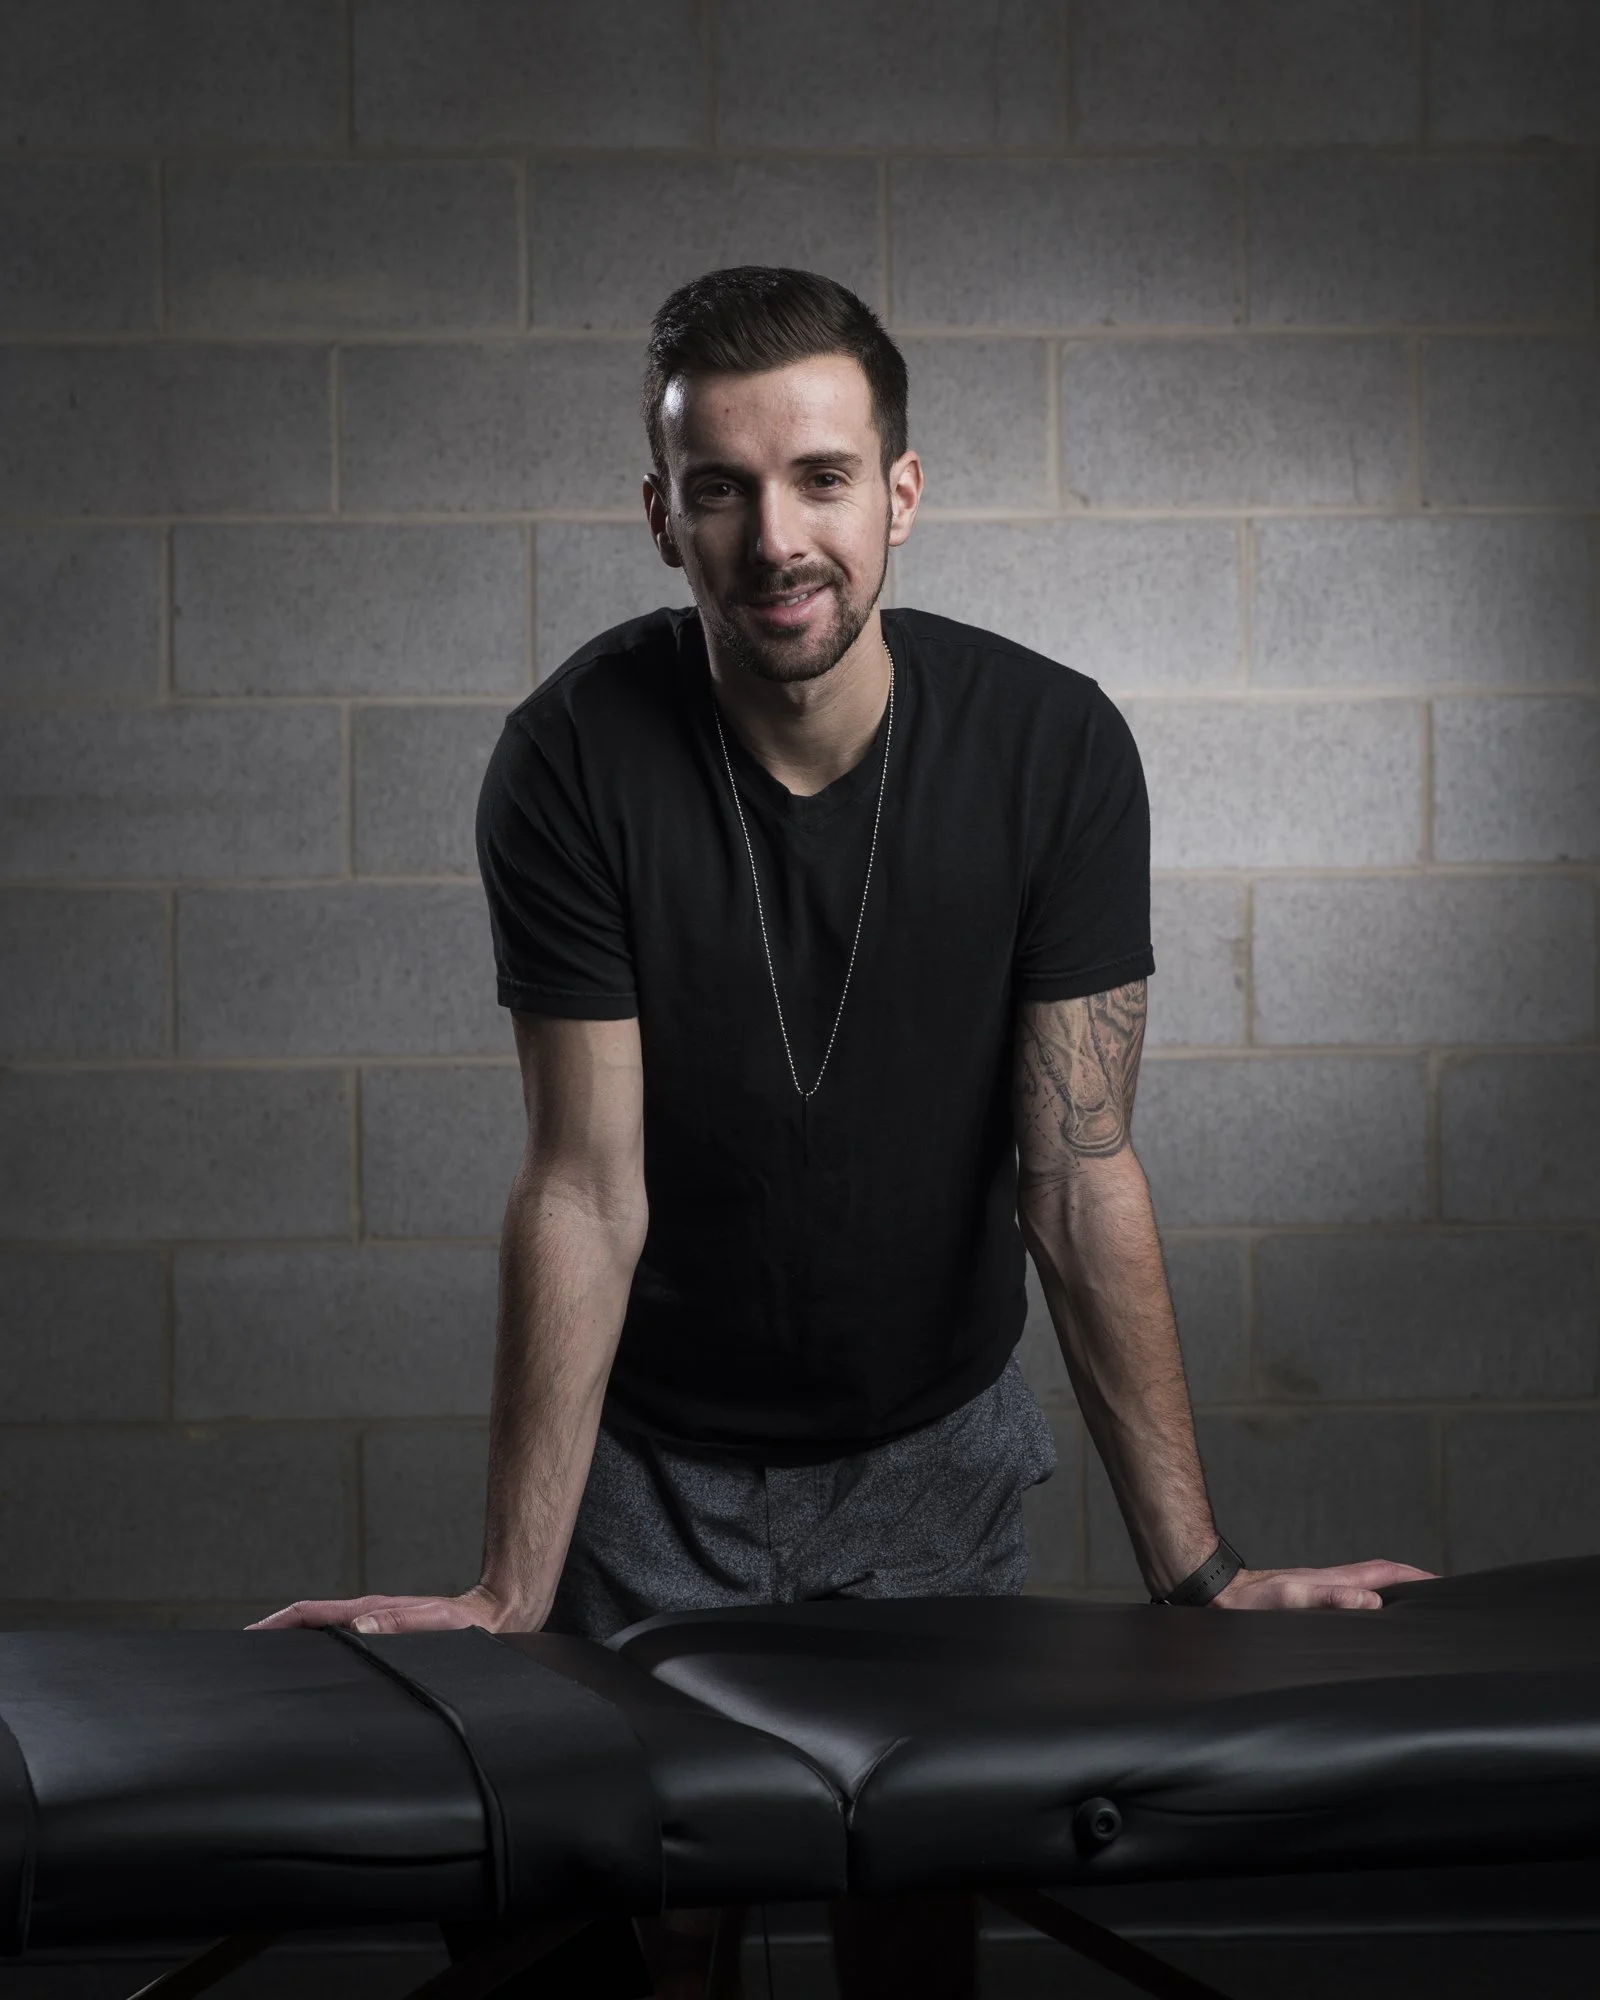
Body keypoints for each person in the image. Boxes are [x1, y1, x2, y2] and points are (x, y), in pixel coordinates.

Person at [254, 266, 1430, 1996]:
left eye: (820, 478)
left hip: (931, 1448)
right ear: (662, 518)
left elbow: (1078, 1172)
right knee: (666, 1920)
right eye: (720, 489)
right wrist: (508, 1590)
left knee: (912, 1908)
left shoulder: (1053, 748)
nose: (776, 537)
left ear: (901, 493)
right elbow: (585, 1188)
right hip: (658, 1465)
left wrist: (1200, 1570)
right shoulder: (573, 757)